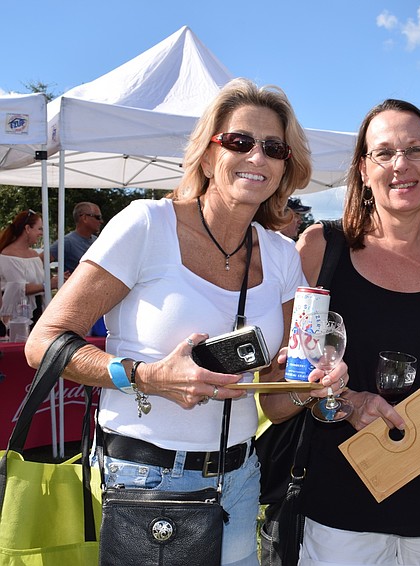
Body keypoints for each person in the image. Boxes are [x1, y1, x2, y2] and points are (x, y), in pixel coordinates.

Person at [25, 78, 346, 565]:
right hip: (146, 478)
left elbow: (278, 403)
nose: (257, 157)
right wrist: (148, 376)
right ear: (208, 153)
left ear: (286, 166)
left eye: (274, 148)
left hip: (240, 479)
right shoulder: (146, 225)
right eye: (239, 141)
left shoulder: (282, 256)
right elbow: (43, 343)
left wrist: (313, 385)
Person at [262, 98, 420, 565]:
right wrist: (344, 403)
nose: (400, 165)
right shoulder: (323, 250)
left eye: (415, 150)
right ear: (364, 170)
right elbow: (276, 397)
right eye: (384, 153)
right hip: (340, 514)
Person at [0, 209, 60, 328]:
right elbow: (18, 288)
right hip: (17, 318)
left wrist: (57, 279)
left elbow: (39, 280)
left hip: (37, 312)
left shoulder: (34, 255)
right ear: (27, 229)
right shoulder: (7, 255)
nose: (41, 233)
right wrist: (48, 285)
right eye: (39, 229)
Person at [49, 201, 104, 273]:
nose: (101, 221)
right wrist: (51, 280)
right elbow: (40, 261)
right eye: (98, 217)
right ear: (84, 218)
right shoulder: (67, 242)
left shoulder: (97, 241)